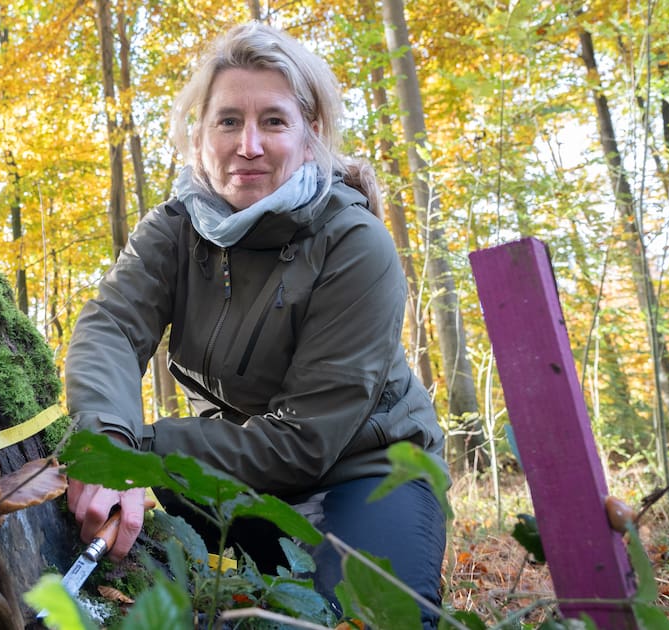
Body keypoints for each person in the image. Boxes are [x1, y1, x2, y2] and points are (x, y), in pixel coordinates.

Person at [64, 22, 448, 627]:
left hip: (365, 473)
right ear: (199, 133)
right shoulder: (173, 230)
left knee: (376, 619)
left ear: (309, 133)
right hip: (235, 476)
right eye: (227, 121)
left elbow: (304, 441)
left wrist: (144, 449)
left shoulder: (354, 243)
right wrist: (108, 440)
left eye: (273, 121)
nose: (248, 145)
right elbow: (111, 325)